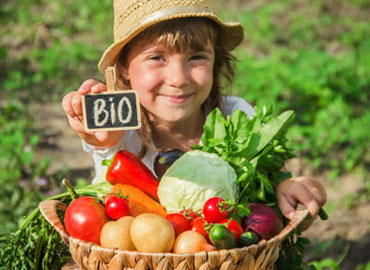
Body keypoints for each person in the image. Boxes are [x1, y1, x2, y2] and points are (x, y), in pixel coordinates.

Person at [62, 0, 326, 220]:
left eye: (197, 57)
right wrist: (96, 132)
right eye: (157, 58)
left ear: (216, 60)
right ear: (122, 69)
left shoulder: (235, 117)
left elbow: (270, 179)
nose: (178, 78)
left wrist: (286, 186)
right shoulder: (122, 129)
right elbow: (104, 141)